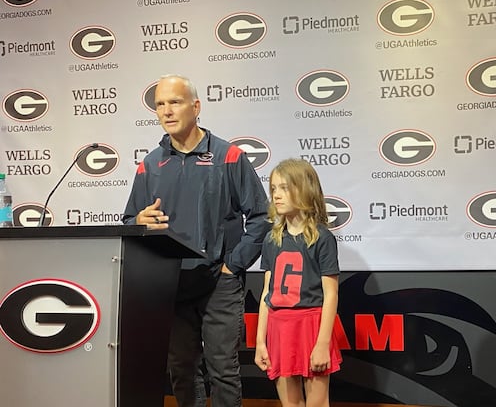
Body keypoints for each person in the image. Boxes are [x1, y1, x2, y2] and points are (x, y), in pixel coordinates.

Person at [122, 74, 271, 407]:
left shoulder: (229, 156)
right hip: (171, 284)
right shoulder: (149, 164)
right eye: (160, 104)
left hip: (220, 281)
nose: (166, 111)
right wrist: (139, 221)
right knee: (182, 371)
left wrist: (234, 264)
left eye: (174, 102)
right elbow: (130, 220)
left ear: (196, 106)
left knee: (223, 370)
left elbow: (262, 217)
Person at [254, 158, 341, 407]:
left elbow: (331, 294)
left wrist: (323, 342)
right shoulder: (272, 240)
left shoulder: (322, 238)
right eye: (273, 189)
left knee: (316, 404)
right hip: (279, 327)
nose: (277, 195)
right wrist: (261, 341)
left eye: (284, 188)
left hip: (311, 325)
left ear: (304, 189)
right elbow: (266, 294)